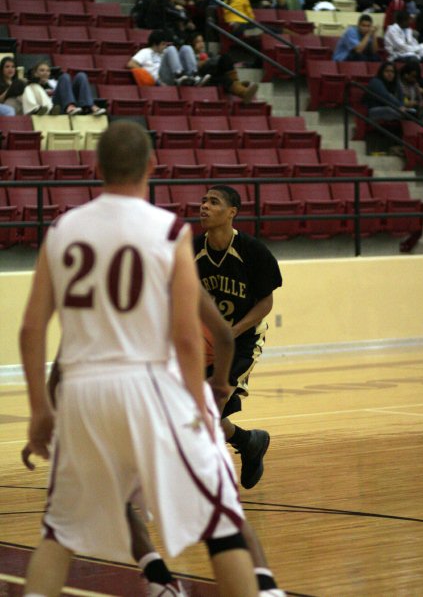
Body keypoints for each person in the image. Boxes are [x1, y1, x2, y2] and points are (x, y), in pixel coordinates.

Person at [19, 121, 261, 597]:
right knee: (221, 523)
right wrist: (198, 405)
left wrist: (39, 411)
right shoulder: (169, 230)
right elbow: (189, 339)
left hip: (83, 392)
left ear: (95, 167)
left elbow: (31, 330)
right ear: (152, 164)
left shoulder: (62, 229)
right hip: (146, 384)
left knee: (58, 536)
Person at [22, 288, 286, 597]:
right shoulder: (168, 248)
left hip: (100, 406)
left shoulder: (75, 255)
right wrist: (217, 386)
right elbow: (220, 337)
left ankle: (159, 580)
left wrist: (46, 414)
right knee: (224, 517)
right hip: (165, 399)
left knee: (71, 526)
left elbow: (55, 350)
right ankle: (265, 588)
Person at [194, 185, 283, 490]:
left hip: (241, 341)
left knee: (205, 412)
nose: (204, 206)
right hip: (203, 343)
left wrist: (230, 333)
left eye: (213, 202)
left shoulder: (252, 251)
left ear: (232, 212)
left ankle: (207, 484)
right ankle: (248, 442)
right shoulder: (191, 251)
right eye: (203, 201)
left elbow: (266, 304)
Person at [189, 31, 259, 103]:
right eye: (198, 42)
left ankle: (239, 87)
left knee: (226, 60)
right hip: (203, 78)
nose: (201, 44)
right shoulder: (190, 55)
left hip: (213, 75)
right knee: (223, 74)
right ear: (192, 44)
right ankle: (240, 88)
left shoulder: (208, 54)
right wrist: (202, 63)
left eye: (202, 41)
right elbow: (193, 69)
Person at [127, 29, 211, 87]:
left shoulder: (164, 52)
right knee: (171, 49)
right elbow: (131, 64)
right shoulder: (145, 51)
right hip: (160, 79)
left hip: (172, 75)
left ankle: (194, 76)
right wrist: (146, 74)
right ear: (155, 44)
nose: (165, 46)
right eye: (163, 44)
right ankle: (179, 76)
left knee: (186, 48)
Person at [22, 60, 106, 116]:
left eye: (48, 71)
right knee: (65, 76)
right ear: (35, 73)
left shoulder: (54, 83)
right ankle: (69, 106)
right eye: (42, 70)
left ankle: (90, 106)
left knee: (81, 76)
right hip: (54, 109)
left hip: (70, 106)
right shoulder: (32, 86)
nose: (45, 73)